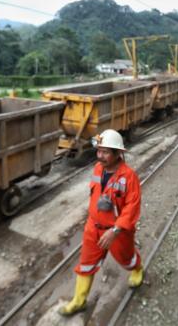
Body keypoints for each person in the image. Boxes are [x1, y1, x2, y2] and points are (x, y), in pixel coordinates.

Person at [59, 129, 144, 316]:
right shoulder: (98, 169)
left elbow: (132, 208)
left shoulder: (129, 177)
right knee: (86, 263)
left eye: (105, 152)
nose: (100, 156)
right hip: (94, 227)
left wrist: (115, 230)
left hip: (117, 232)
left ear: (117, 153)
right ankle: (79, 300)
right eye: (99, 151)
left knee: (126, 258)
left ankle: (137, 269)